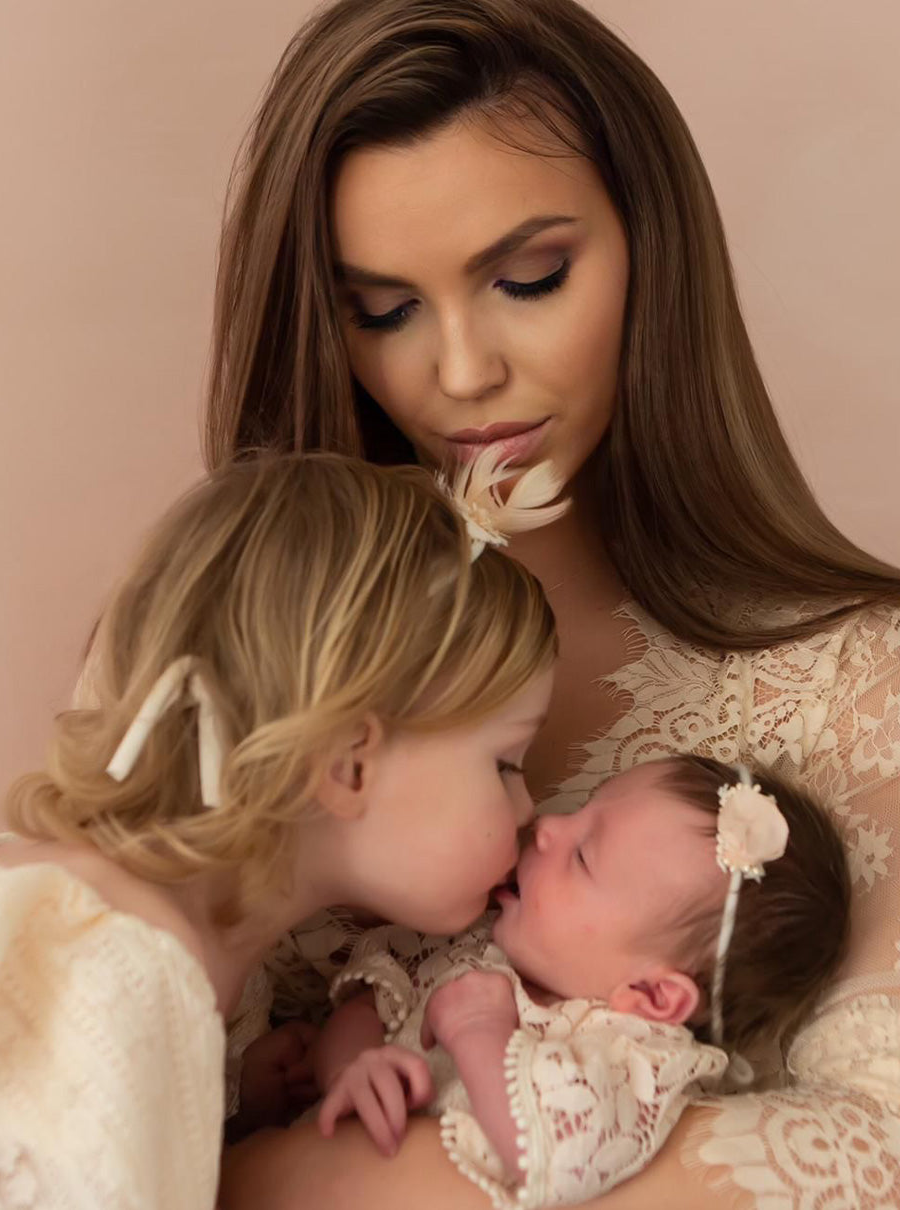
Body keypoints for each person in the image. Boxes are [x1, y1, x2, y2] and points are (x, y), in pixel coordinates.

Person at [209, 1, 900, 1206]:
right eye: (383, 310)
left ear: (651, 253)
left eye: (527, 277)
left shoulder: (859, 689)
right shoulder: (237, 666)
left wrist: (258, 1176)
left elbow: (874, 1155)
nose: (460, 372)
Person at [0, 451, 559, 1209]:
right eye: (505, 764)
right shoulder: (104, 962)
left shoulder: (204, 960)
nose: (531, 812)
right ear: (348, 764)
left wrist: (239, 1123)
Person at [284, 757, 850, 1208]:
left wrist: (481, 1032)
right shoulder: (480, 947)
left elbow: (557, 1159)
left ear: (653, 996)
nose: (548, 826)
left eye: (582, 856)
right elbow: (371, 1002)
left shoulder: (634, 1059)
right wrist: (350, 1066)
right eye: (581, 807)